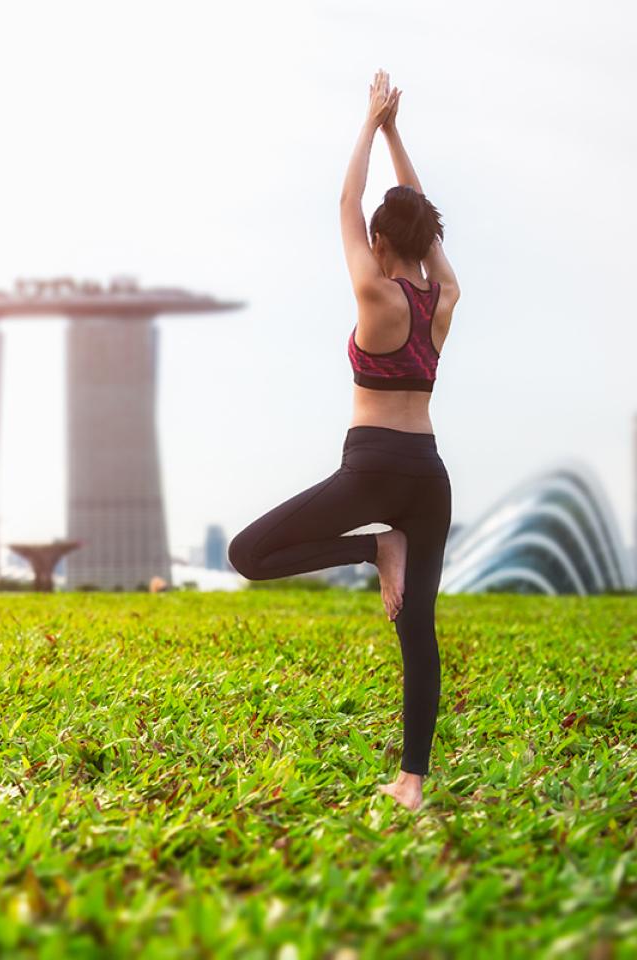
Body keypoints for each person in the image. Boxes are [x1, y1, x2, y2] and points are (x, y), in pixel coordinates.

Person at [227, 69, 460, 812]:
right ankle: (412, 784)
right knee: (416, 633)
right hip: (426, 474)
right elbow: (413, 220)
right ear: (427, 242)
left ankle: (369, 549)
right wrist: (398, 135)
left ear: (383, 242)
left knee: (247, 555)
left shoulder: (374, 294)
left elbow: (344, 203)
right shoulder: (440, 299)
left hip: (369, 474)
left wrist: (369, 122)